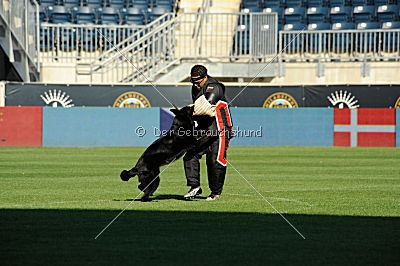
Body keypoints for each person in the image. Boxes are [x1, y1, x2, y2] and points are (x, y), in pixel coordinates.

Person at [183, 65, 233, 201]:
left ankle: (215, 193)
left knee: (214, 160)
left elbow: (204, 109)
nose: (195, 84)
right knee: (190, 154)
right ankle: (195, 186)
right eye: (192, 81)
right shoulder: (195, 87)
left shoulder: (214, 86)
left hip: (220, 128)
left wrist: (185, 112)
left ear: (205, 77)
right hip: (205, 129)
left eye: (198, 81)